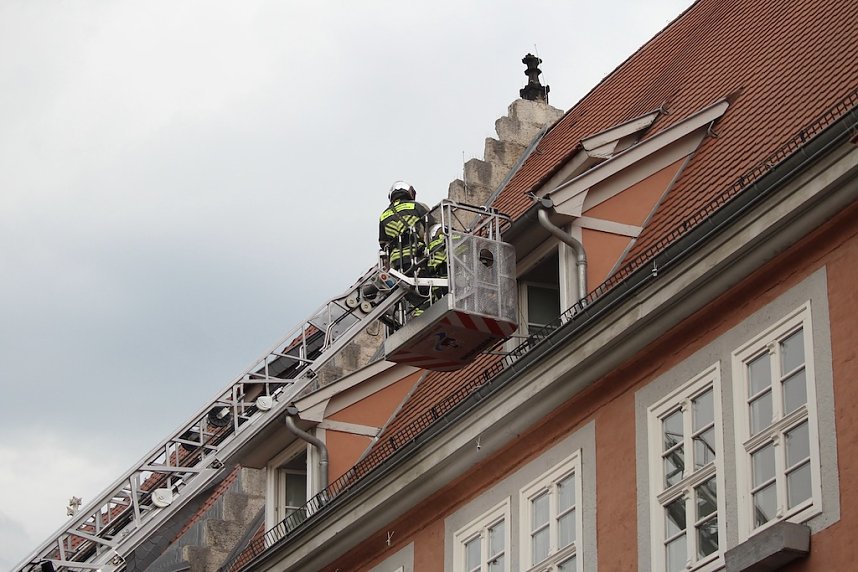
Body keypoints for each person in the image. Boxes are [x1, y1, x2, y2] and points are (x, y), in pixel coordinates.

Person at [379, 181, 431, 274]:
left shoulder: (384, 215)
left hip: (396, 261)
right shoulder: (417, 206)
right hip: (416, 254)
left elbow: (383, 243)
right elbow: (432, 227)